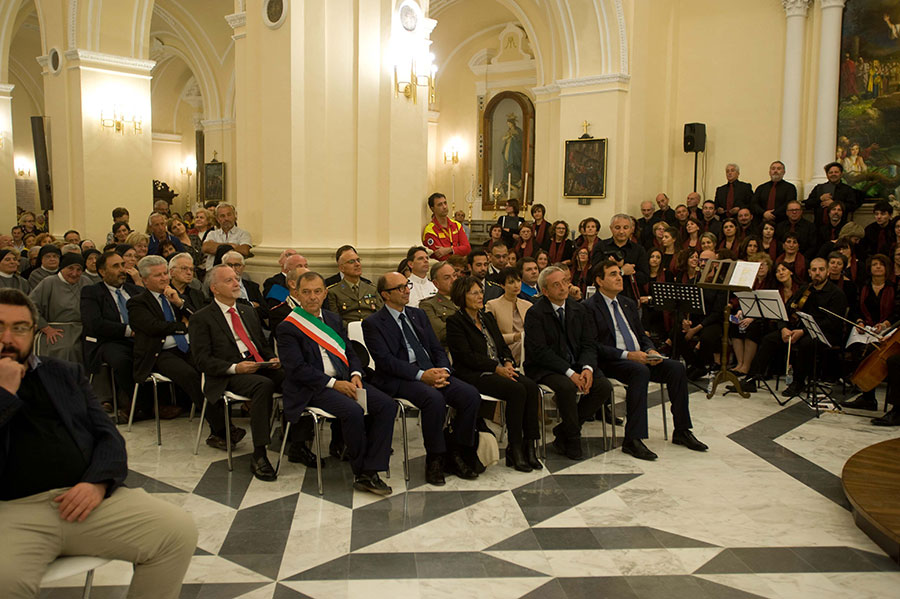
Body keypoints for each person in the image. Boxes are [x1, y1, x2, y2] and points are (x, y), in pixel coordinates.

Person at [0, 288, 198, 598]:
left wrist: (97, 482)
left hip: (85, 499)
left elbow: (108, 436)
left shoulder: (62, 373)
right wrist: (4, 394)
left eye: (19, 328)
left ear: (33, 333)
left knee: (176, 532)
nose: (8, 338)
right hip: (13, 510)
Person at [276, 271, 396, 495]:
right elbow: (297, 369)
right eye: (306, 292)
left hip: (345, 380)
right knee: (352, 411)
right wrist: (333, 384)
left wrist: (356, 373)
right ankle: (362, 473)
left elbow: (349, 351)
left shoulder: (332, 319)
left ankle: (373, 465)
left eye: (317, 291)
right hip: (313, 387)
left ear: (324, 294)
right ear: (297, 294)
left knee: (387, 405)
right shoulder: (288, 327)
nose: (312, 297)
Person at [363, 271, 482, 485]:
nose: (406, 290)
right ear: (385, 295)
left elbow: (436, 348)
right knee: (433, 399)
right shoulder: (373, 323)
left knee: (470, 395)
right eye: (399, 288)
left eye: (406, 285)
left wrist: (443, 370)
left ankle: (457, 451)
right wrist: (421, 375)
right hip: (400, 377)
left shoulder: (418, 314)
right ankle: (435, 459)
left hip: (431, 370)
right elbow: (385, 361)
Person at [586, 260, 707, 461]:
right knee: (639, 371)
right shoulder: (589, 307)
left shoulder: (628, 303)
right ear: (599, 280)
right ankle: (632, 439)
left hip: (640, 357)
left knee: (676, 368)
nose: (619, 278)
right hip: (612, 361)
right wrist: (629, 356)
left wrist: (650, 349)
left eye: (619, 273)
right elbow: (593, 345)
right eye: (613, 274)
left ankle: (682, 430)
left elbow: (641, 335)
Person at [190, 265, 284, 481]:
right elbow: (202, 360)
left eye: (236, 279)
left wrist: (271, 358)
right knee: (263, 385)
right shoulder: (202, 318)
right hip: (228, 374)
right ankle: (259, 454)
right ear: (214, 288)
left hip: (258, 365)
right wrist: (235, 368)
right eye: (229, 280)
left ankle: (296, 440)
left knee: (293, 377)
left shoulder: (247, 311)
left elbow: (262, 343)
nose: (236, 284)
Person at [128, 256, 232, 437]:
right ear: (145, 280)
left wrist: (180, 303)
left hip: (185, 348)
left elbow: (199, 319)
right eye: (157, 275)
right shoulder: (138, 302)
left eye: (165, 273)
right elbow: (152, 327)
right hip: (159, 353)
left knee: (209, 369)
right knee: (190, 376)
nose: (164, 278)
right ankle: (222, 429)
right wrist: (181, 327)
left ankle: (224, 422)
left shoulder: (174, 296)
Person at [446, 276, 542, 472]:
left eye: (481, 292)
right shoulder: (455, 322)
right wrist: (496, 368)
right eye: (474, 293)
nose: (480, 296)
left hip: (500, 368)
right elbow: (466, 356)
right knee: (516, 390)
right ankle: (514, 448)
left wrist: (507, 361)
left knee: (531, 387)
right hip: (475, 373)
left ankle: (529, 445)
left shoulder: (487, 318)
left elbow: (500, 345)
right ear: (462, 296)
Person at [523, 266, 612, 460]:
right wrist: (570, 373)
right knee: (566, 387)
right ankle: (572, 437)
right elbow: (540, 352)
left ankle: (563, 430)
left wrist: (587, 368)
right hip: (546, 367)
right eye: (556, 285)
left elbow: (589, 343)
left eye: (564, 281)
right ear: (545, 291)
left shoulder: (579, 308)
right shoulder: (536, 313)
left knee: (603, 386)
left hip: (577, 363)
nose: (563, 288)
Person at [742, 258, 848, 397]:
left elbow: (832, 322)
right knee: (769, 339)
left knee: (806, 344)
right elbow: (785, 311)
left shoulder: (836, 294)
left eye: (821, 269)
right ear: (809, 272)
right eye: (814, 270)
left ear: (827, 272)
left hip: (824, 333)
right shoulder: (805, 289)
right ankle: (751, 379)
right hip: (798, 330)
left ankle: (798, 383)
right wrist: (783, 328)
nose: (817, 273)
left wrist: (803, 331)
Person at [81, 251, 143, 419]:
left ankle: (152, 403)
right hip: (107, 341)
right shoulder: (91, 292)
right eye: (116, 266)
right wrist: (130, 330)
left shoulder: (134, 290)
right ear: (102, 271)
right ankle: (138, 405)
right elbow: (95, 324)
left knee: (161, 356)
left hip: (138, 339)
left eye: (123, 265)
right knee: (122, 359)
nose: (122, 269)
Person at [843, 254, 897, 411]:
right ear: (870, 268)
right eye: (874, 264)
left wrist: (886, 324)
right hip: (865, 327)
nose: (878, 267)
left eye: (881, 264)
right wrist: (859, 321)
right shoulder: (863, 286)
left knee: (873, 351)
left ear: (887, 269)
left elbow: (898, 312)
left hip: (888, 330)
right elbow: (855, 309)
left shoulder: (894, 287)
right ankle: (866, 395)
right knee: (858, 348)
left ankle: (868, 396)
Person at [29, 253, 88, 364]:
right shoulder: (49, 282)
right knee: (67, 349)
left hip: (82, 329)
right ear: (62, 268)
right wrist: (45, 328)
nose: (74, 273)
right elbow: (30, 306)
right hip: (56, 329)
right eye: (70, 268)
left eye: (79, 269)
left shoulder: (86, 282)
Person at [594, 213, 649, 304]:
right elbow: (595, 272)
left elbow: (645, 277)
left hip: (630, 298)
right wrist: (622, 271)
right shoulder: (601, 246)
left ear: (632, 229)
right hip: (604, 299)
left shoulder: (639, 250)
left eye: (625, 228)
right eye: (617, 228)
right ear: (611, 228)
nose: (621, 231)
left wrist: (628, 271)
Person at [485, 266, 532, 363]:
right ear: (502, 285)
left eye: (518, 281)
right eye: (511, 282)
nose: (516, 285)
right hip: (505, 348)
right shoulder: (492, 305)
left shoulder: (528, 305)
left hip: (527, 343)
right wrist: (516, 337)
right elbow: (490, 336)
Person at [326, 246, 382, 325]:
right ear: (342, 268)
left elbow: (381, 314)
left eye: (358, 260)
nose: (357, 264)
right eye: (352, 262)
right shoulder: (333, 291)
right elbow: (334, 319)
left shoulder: (371, 289)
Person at [419, 261, 458, 349]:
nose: (454, 280)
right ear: (436, 283)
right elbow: (442, 334)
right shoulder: (428, 305)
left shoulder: (466, 299)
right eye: (447, 278)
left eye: (454, 275)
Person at [201, 202, 252, 271]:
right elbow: (206, 248)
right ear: (217, 219)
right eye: (222, 216)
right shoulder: (212, 234)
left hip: (234, 272)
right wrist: (232, 246)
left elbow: (244, 250)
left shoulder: (243, 234)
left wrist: (218, 247)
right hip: (213, 273)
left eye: (229, 215)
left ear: (235, 216)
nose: (226, 218)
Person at [422, 192, 471, 260]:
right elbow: (440, 256)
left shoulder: (457, 225)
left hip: (459, 267)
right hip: (442, 267)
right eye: (440, 205)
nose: (444, 207)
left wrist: (449, 250)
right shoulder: (430, 230)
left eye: (445, 203)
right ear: (432, 209)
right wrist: (459, 251)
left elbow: (467, 249)